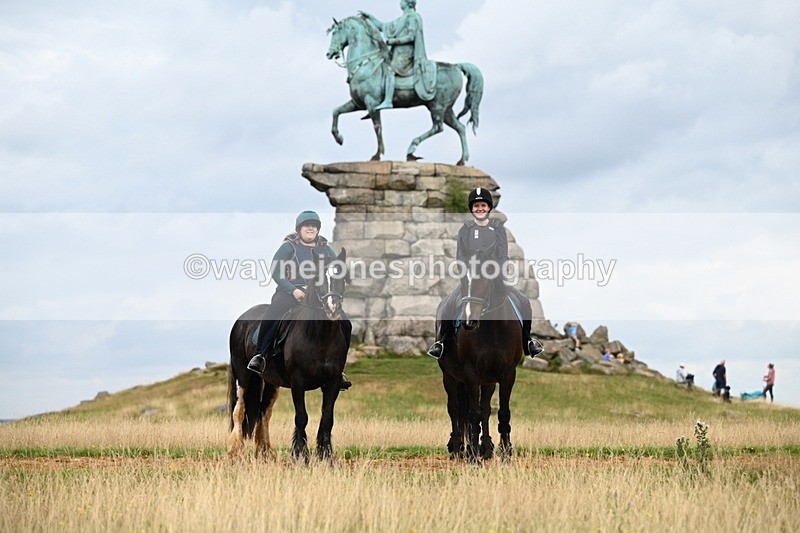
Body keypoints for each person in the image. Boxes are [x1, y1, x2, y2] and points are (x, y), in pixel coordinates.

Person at [427, 188, 544, 360]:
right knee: (449, 305)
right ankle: (441, 343)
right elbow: (461, 256)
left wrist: (498, 270)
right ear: (472, 208)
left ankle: (527, 341)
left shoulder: (497, 228)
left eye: (483, 205)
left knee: (524, 301)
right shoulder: (465, 230)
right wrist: (467, 271)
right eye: (476, 205)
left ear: (488, 207)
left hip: (494, 279)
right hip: (471, 280)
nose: (480, 208)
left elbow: (503, 253)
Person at [247, 211, 352, 389]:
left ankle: (338, 369)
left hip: (318, 296)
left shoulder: (326, 249)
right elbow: (276, 272)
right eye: (306, 225)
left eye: (314, 226)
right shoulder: (289, 247)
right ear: (299, 229)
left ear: (318, 229)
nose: (310, 228)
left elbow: (336, 270)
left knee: (346, 323)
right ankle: (260, 355)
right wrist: (293, 290)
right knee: (274, 313)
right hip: (290, 293)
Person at [359, 0, 435, 110]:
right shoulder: (401, 19)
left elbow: (411, 36)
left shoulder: (413, 17)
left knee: (390, 70)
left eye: (402, 1)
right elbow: (383, 26)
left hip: (406, 54)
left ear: (408, 3)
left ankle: (388, 101)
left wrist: (394, 41)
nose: (400, 3)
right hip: (396, 53)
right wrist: (371, 18)